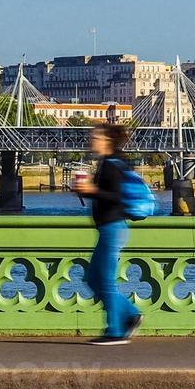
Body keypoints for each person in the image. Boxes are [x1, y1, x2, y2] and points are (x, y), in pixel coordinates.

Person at [73, 123, 142, 345]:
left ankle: (115, 330)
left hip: (113, 228)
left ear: (106, 141)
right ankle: (130, 314)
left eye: (95, 136)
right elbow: (107, 195)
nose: (91, 139)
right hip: (107, 228)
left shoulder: (113, 164)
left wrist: (92, 190)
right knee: (93, 278)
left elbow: (116, 196)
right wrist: (87, 192)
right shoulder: (107, 162)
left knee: (105, 280)